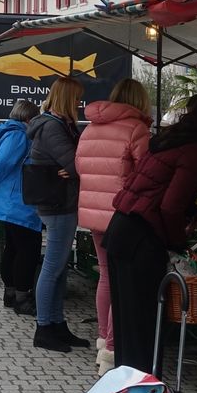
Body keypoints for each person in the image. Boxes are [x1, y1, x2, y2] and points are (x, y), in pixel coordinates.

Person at [105, 91, 197, 376]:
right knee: (145, 329)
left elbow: (156, 190)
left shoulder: (169, 139)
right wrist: (178, 242)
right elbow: (169, 206)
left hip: (121, 229)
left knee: (128, 329)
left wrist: (190, 209)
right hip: (141, 239)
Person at [76, 79, 153, 372]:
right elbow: (146, 171)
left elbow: (79, 165)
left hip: (94, 213)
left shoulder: (91, 128)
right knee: (122, 280)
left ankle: (102, 341)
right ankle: (111, 350)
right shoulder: (137, 129)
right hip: (122, 215)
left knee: (106, 276)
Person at [27, 76, 89, 353]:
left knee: (59, 267)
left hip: (61, 202)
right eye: (76, 98)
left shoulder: (58, 124)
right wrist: (74, 167)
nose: (79, 103)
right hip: (58, 204)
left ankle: (56, 323)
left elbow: (73, 164)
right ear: (66, 98)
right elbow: (76, 164)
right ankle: (44, 327)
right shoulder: (53, 127)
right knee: (53, 266)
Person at [0, 99, 42, 316]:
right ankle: (22, 298)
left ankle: (11, 293)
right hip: (17, 201)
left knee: (13, 247)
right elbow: (1, 163)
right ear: (28, 118)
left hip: (10, 201)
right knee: (27, 250)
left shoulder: (10, 132)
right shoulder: (18, 134)